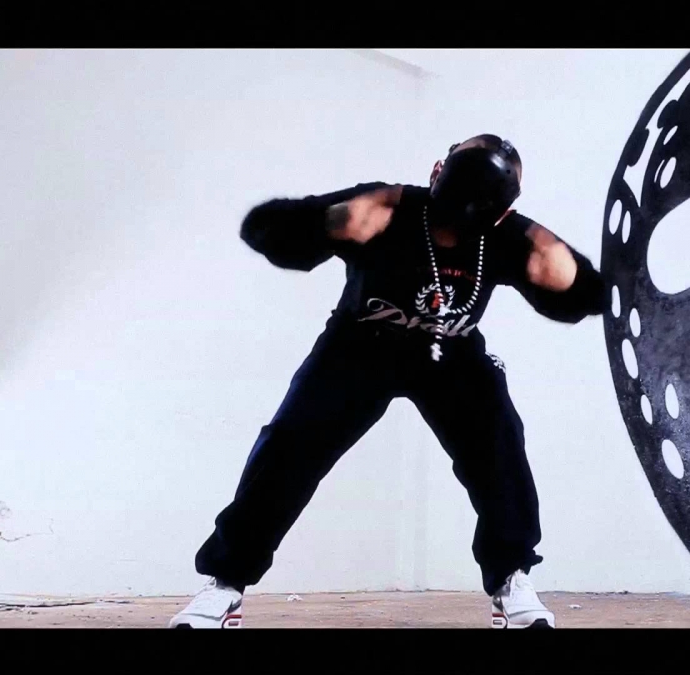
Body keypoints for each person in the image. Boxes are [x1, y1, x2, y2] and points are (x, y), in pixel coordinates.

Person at [169, 135, 605, 629]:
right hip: (359, 347)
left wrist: (574, 280)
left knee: (499, 447)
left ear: (498, 213)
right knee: (289, 450)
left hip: (451, 352)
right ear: (435, 174)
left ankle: (511, 579)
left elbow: (587, 294)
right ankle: (225, 584)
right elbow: (267, 228)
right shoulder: (386, 209)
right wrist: (322, 226)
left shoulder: (510, 237)